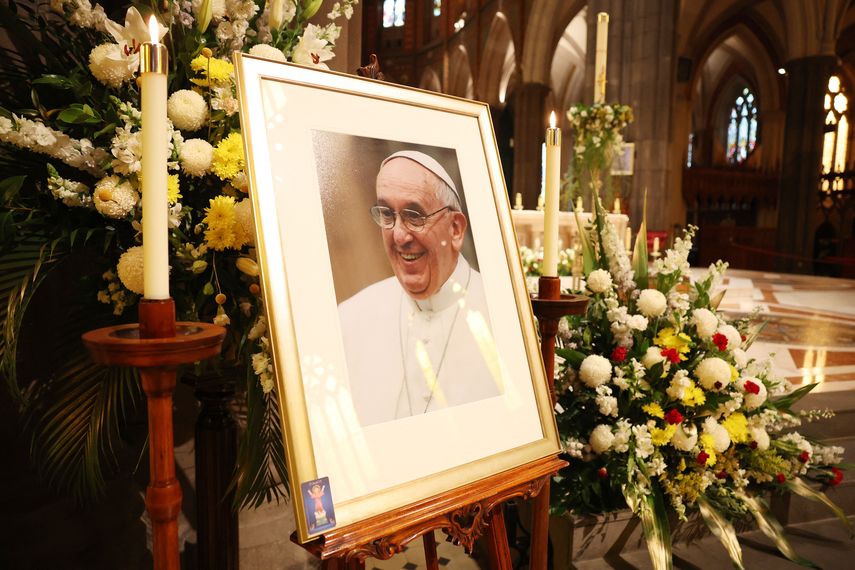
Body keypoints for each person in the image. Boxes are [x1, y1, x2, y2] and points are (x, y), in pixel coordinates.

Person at [338, 150, 503, 426]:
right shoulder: (349, 317)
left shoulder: (506, 318)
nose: (399, 236)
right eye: (386, 214)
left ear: (455, 229)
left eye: (414, 216)